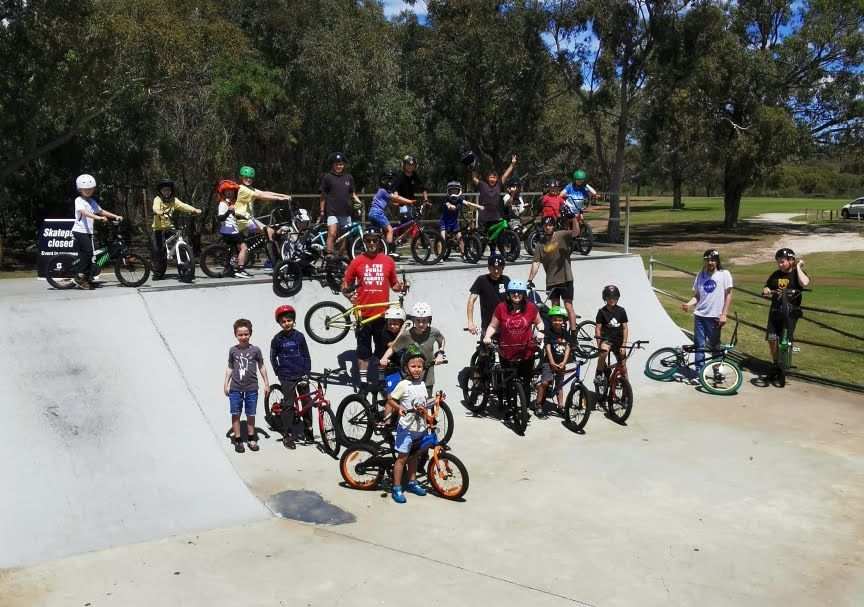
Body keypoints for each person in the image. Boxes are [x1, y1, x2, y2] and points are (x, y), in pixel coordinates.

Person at [340, 227, 407, 388]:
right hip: (363, 314)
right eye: (368, 240)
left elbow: (394, 286)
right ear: (364, 242)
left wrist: (402, 287)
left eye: (374, 240)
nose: (371, 243)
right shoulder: (356, 261)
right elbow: (344, 284)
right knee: (363, 351)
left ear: (380, 241)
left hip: (383, 315)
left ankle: (380, 380)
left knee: (381, 349)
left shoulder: (388, 261)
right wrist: (350, 297)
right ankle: (363, 383)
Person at [483, 279, 544, 403]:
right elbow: (493, 326)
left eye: (519, 292)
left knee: (526, 382)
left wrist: (541, 332)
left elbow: (540, 322)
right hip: (506, 351)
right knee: (508, 382)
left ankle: (524, 409)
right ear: (509, 294)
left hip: (526, 351)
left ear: (524, 294)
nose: (516, 295)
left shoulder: (530, 307)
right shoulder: (501, 308)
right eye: (513, 292)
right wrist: (487, 336)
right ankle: (510, 407)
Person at [387, 346, 432, 504]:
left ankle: (412, 482)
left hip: (419, 427)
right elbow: (390, 399)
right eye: (413, 366)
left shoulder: (421, 384)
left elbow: (424, 403)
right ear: (406, 367)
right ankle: (397, 487)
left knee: (414, 457)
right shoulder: (404, 384)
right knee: (402, 459)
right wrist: (399, 408)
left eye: (419, 366)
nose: (417, 369)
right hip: (406, 428)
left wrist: (437, 399)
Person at [379, 302, 446, 398]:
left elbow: (442, 340)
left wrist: (440, 353)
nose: (421, 323)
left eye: (424, 320)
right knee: (399, 402)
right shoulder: (406, 335)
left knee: (425, 402)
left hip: (427, 375)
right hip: (409, 376)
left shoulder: (434, 332)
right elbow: (392, 349)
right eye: (418, 320)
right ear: (413, 319)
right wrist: (384, 358)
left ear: (429, 320)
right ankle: (389, 413)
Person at [761, 247, 810, 378]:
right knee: (772, 338)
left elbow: (804, 282)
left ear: (791, 260)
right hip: (776, 311)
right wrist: (766, 289)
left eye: (782, 261)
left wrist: (798, 266)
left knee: (785, 339)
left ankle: (785, 362)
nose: (780, 264)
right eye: (778, 262)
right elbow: (767, 286)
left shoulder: (797, 273)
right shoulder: (776, 274)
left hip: (791, 312)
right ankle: (776, 363)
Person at [682, 249, 734, 373]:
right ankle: (699, 373)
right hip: (699, 315)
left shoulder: (724, 274)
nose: (710, 263)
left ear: (717, 261)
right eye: (707, 260)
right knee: (699, 345)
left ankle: (717, 371)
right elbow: (698, 295)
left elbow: (729, 295)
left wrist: (724, 314)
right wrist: (689, 304)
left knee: (715, 346)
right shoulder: (700, 275)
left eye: (712, 260)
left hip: (715, 317)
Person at [224, 318, 270, 453]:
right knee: (235, 413)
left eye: (246, 334)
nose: (243, 337)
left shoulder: (255, 350)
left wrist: (266, 383)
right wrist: (225, 384)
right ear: (235, 335)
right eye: (240, 334)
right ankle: (238, 440)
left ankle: (251, 439)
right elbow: (230, 367)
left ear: (250, 333)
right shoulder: (233, 350)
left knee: (251, 414)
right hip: (235, 388)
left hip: (251, 388)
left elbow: (261, 366)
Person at [270, 305, 312, 450]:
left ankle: (309, 429)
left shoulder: (299, 336)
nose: (287, 323)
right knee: (288, 404)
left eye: (289, 320)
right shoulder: (277, 339)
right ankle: (287, 433)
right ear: (280, 323)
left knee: (307, 402)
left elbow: (306, 355)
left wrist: (307, 372)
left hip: (301, 374)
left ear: (293, 321)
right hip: (286, 376)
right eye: (283, 321)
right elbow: (272, 356)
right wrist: (278, 371)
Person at [71, 174, 123, 290]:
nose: (88, 191)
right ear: (79, 189)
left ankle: (87, 278)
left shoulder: (91, 201)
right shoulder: (79, 200)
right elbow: (84, 213)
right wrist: (98, 218)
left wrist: (115, 216)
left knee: (89, 255)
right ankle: (79, 277)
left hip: (88, 232)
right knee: (89, 253)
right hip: (80, 231)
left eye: (90, 189)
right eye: (85, 189)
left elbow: (101, 211)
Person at [527, 217, 579, 329]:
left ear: (554, 225)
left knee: (568, 306)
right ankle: (558, 333)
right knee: (555, 309)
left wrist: (574, 218)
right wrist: (530, 279)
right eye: (546, 226)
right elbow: (536, 262)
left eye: (550, 225)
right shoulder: (540, 244)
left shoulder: (561, 235)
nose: (548, 227)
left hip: (565, 278)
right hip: (551, 280)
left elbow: (576, 232)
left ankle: (573, 333)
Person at [236, 165, 292, 265]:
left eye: (250, 178)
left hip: (248, 219)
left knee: (267, 232)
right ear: (241, 177)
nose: (248, 179)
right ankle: (272, 260)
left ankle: (270, 257)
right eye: (246, 177)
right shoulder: (242, 189)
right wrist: (279, 199)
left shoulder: (250, 189)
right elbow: (261, 196)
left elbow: (264, 192)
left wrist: (282, 195)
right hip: (243, 221)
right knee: (269, 231)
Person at [151, 179, 202, 281]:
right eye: (164, 190)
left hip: (170, 227)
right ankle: (158, 273)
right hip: (159, 229)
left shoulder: (174, 200)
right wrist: (157, 211)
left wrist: (194, 209)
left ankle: (185, 269)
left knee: (181, 244)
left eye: (168, 190)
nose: (167, 192)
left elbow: (183, 206)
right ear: (160, 191)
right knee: (159, 250)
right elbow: (155, 207)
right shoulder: (158, 199)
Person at [471, 155, 517, 252]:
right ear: (487, 178)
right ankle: (478, 252)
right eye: (490, 177)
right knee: (482, 236)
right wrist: (472, 168)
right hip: (484, 215)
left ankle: (493, 253)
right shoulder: (483, 185)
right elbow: (474, 179)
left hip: (495, 215)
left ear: (497, 178)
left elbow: (505, 175)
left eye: (494, 177)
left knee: (494, 237)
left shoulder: (499, 185)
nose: (492, 179)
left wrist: (512, 164)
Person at [320, 152, 363, 256]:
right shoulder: (327, 177)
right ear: (333, 165)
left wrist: (360, 202)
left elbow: (353, 194)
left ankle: (338, 260)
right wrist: (322, 211)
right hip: (332, 211)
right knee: (332, 233)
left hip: (345, 212)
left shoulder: (348, 177)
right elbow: (323, 196)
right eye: (337, 164)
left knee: (343, 237)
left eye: (341, 164)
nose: (339, 166)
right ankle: (328, 256)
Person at [534, 306, 571, 417]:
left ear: (563, 321)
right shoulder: (548, 332)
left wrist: (564, 362)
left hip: (561, 363)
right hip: (549, 362)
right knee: (544, 382)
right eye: (554, 319)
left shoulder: (565, 333)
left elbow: (569, 348)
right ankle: (538, 404)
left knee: (559, 384)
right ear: (550, 320)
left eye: (560, 320)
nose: (557, 322)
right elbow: (548, 348)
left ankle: (560, 406)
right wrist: (551, 362)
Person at [369, 170, 415, 252]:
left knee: (381, 233)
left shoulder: (382, 191)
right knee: (390, 230)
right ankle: (389, 251)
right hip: (378, 213)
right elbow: (396, 198)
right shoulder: (383, 190)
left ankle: (380, 250)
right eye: (387, 180)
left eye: (391, 180)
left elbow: (393, 202)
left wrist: (401, 204)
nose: (389, 182)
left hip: (373, 213)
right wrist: (410, 201)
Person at [215, 180, 253, 278]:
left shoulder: (231, 203)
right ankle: (240, 269)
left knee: (232, 251)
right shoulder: (223, 204)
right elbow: (220, 218)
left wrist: (243, 217)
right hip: (230, 232)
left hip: (232, 231)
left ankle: (229, 269)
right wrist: (228, 211)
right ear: (223, 193)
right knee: (244, 248)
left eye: (232, 193)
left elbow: (233, 216)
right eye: (227, 192)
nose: (230, 194)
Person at [594, 285, 628, 388]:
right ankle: (599, 373)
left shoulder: (621, 311)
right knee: (603, 352)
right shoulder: (601, 312)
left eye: (614, 298)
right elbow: (598, 328)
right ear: (605, 299)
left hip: (619, 340)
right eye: (609, 298)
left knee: (623, 367)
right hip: (607, 339)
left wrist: (624, 344)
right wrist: (599, 344)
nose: (612, 300)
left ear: (618, 298)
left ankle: (626, 390)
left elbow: (625, 328)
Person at [466, 256, 511, 336]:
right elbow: (471, 300)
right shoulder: (481, 280)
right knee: (485, 347)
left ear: (503, 268)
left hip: (505, 324)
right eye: (493, 268)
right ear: (489, 268)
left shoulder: (506, 280)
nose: (496, 271)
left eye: (499, 268)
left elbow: (514, 300)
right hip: (488, 326)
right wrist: (470, 323)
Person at [439, 181, 482, 254]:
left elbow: (468, 203)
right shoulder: (446, 199)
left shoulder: (460, 199)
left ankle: (463, 253)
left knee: (460, 238)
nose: (453, 192)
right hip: (445, 222)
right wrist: (450, 206)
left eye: (455, 190)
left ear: (459, 191)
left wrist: (479, 206)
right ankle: (439, 255)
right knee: (442, 238)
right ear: (448, 191)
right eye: (451, 190)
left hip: (454, 222)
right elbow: (447, 204)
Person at [393, 154, 429, 224]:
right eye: (408, 164)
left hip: (412, 203)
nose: (410, 167)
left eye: (412, 165)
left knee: (416, 222)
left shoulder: (414, 175)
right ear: (404, 165)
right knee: (405, 222)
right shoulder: (400, 176)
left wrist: (426, 200)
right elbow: (395, 189)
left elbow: (423, 187)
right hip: (402, 204)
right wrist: (396, 200)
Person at [561, 169, 598, 234]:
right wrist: (564, 195)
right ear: (575, 179)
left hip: (578, 209)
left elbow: (594, 192)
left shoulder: (584, 189)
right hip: (569, 209)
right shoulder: (569, 187)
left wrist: (586, 185)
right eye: (578, 179)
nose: (579, 181)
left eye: (581, 179)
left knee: (579, 224)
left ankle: (577, 236)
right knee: (568, 226)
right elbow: (561, 194)